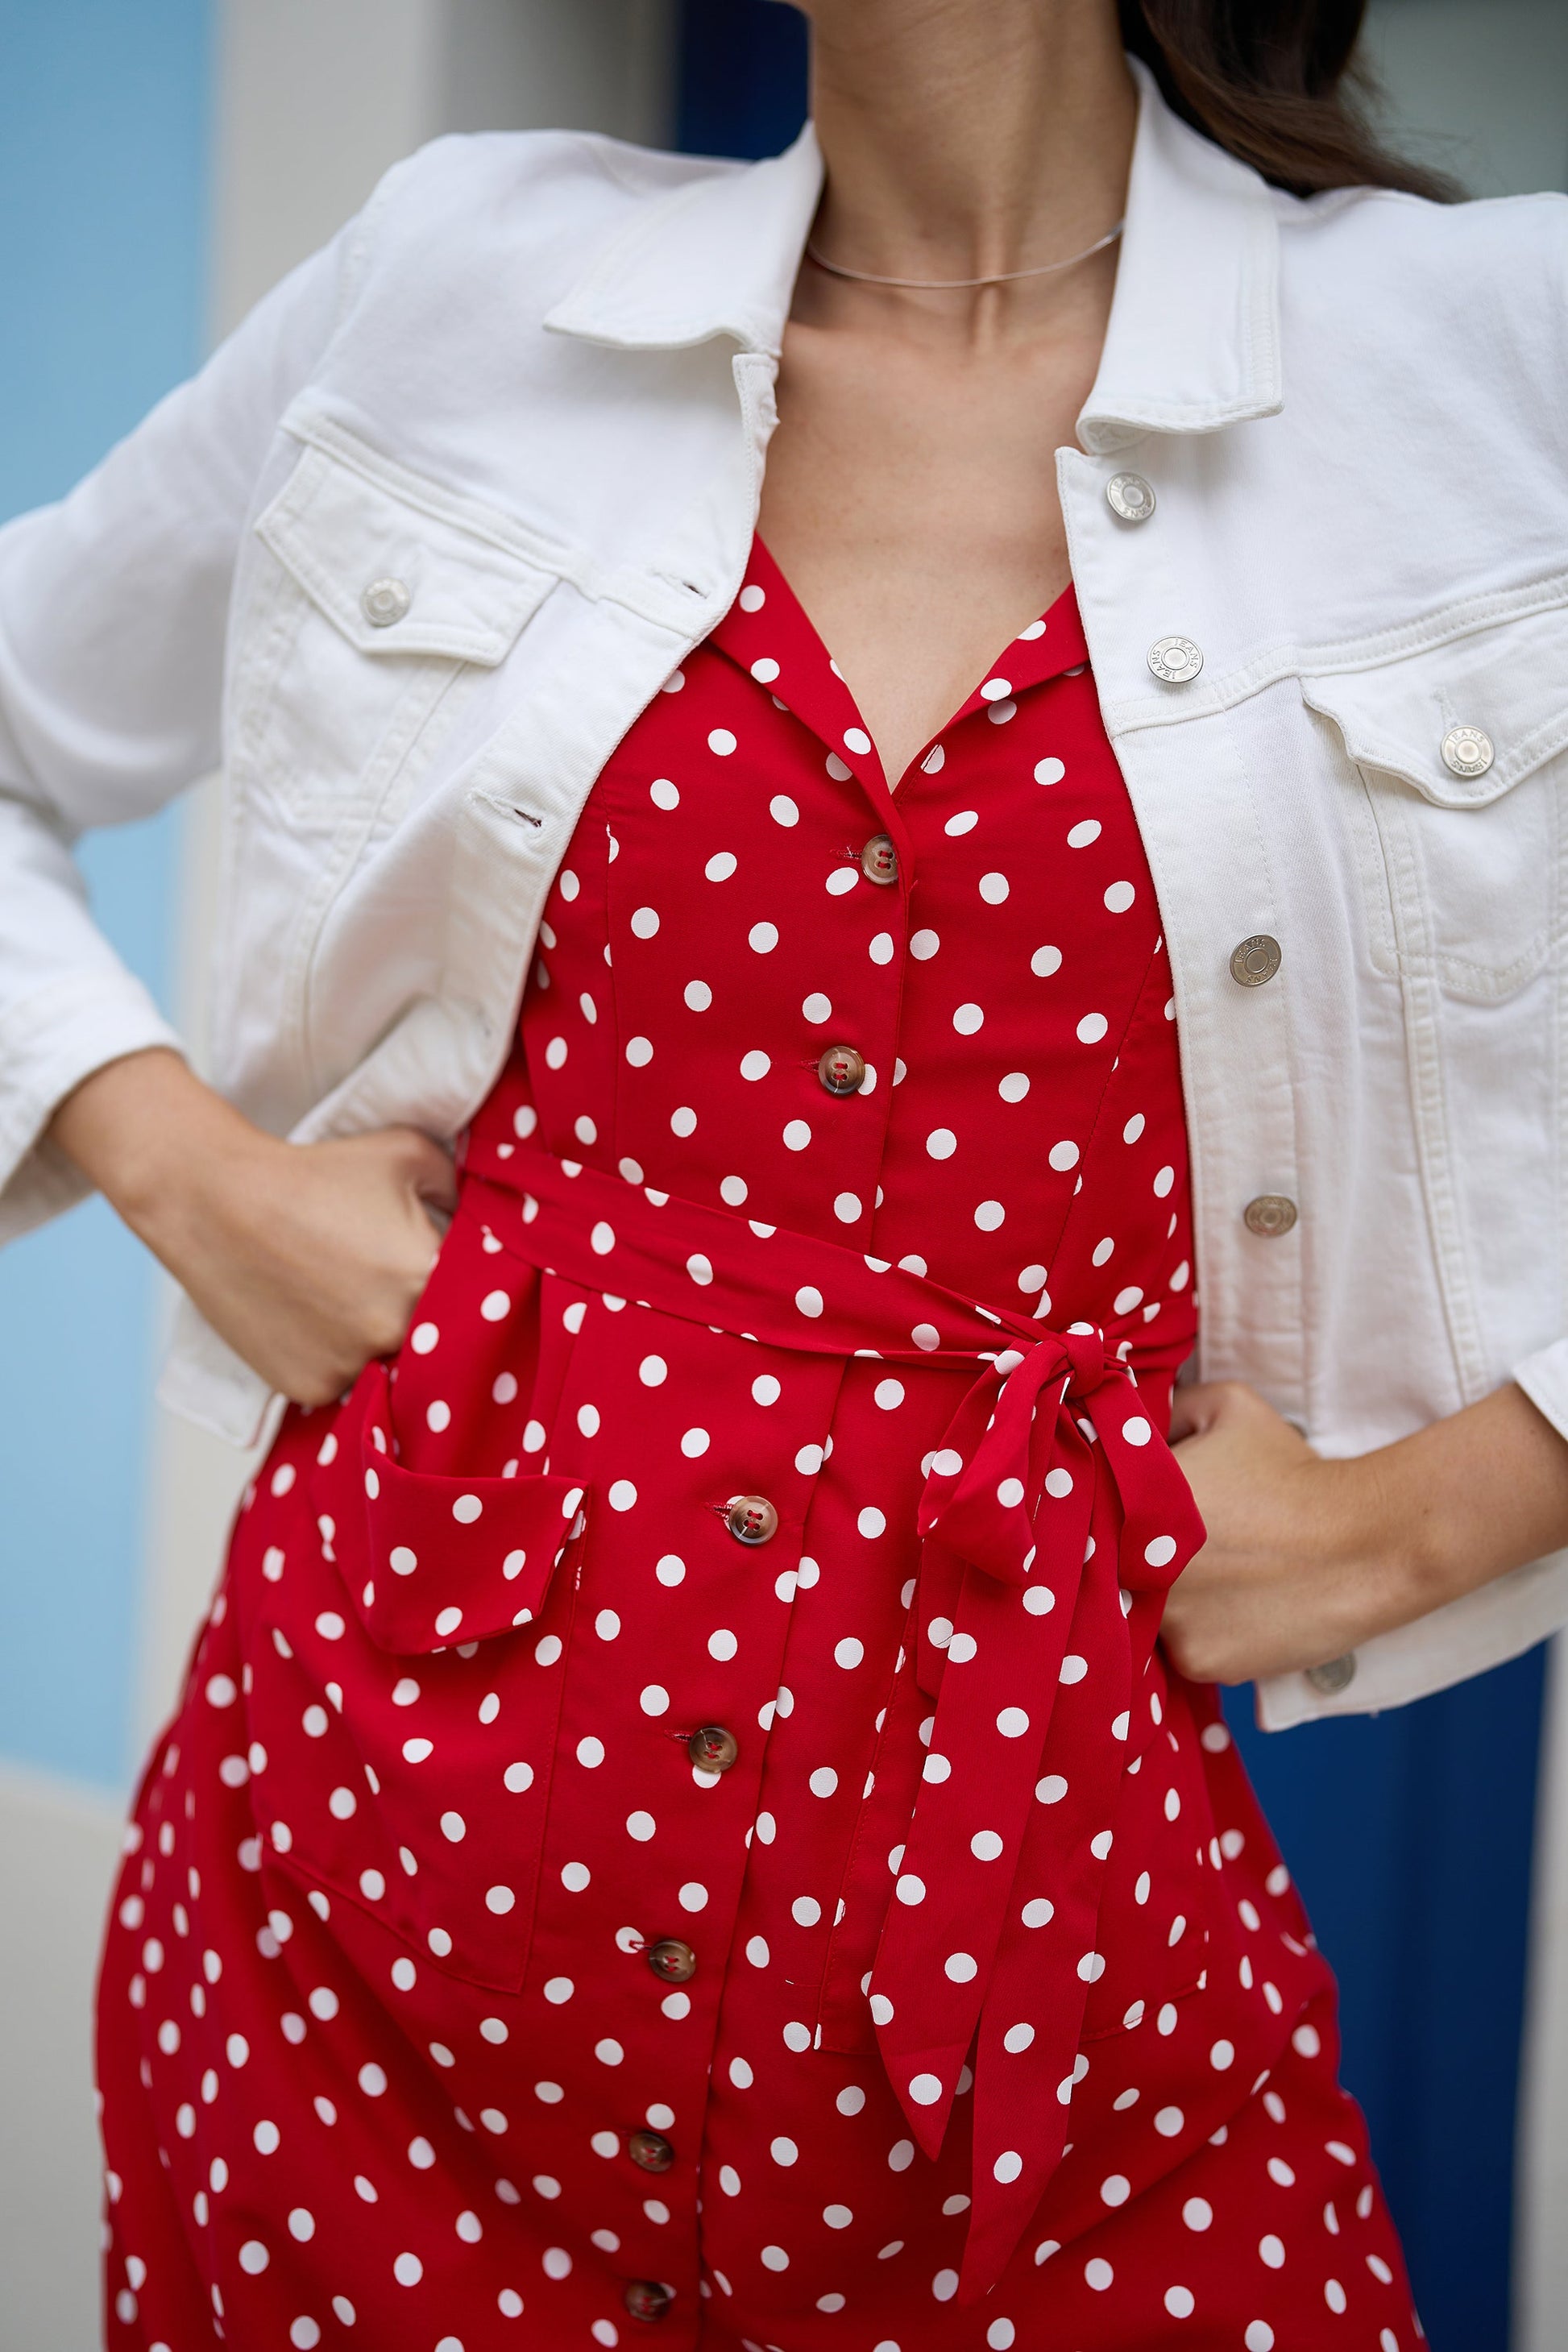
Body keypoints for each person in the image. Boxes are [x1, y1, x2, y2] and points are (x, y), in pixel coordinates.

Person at [4, 0, 1567, 2342]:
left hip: (1064, 1996)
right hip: (358, 1916)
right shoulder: (463, 281)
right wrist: (180, 1167)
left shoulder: (1489, 355)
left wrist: (1441, 1503)